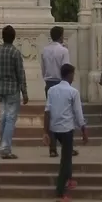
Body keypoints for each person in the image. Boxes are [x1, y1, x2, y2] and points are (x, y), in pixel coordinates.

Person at [43, 62, 88, 201]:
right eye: (73, 74)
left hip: (54, 128)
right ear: (69, 75)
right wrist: (83, 129)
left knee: (67, 156)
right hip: (66, 128)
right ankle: (60, 191)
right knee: (66, 159)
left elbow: (47, 111)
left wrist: (46, 131)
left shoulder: (51, 90)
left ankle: (68, 179)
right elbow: (78, 112)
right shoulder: (73, 92)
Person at [0, 24, 28, 159]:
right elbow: (20, 73)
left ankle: (4, 145)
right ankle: (5, 148)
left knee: (3, 117)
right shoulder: (15, 53)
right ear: (13, 37)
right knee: (10, 118)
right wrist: (24, 91)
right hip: (12, 90)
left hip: (0, 89)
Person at [40, 25, 71, 157]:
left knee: (51, 115)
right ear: (60, 36)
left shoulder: (45, 50)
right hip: (60, 83)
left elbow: (43, 69)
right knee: (63, 115)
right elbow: (66, 69)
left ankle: (53, 147)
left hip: (49, 83)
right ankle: (66, 144)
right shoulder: (64, 51)